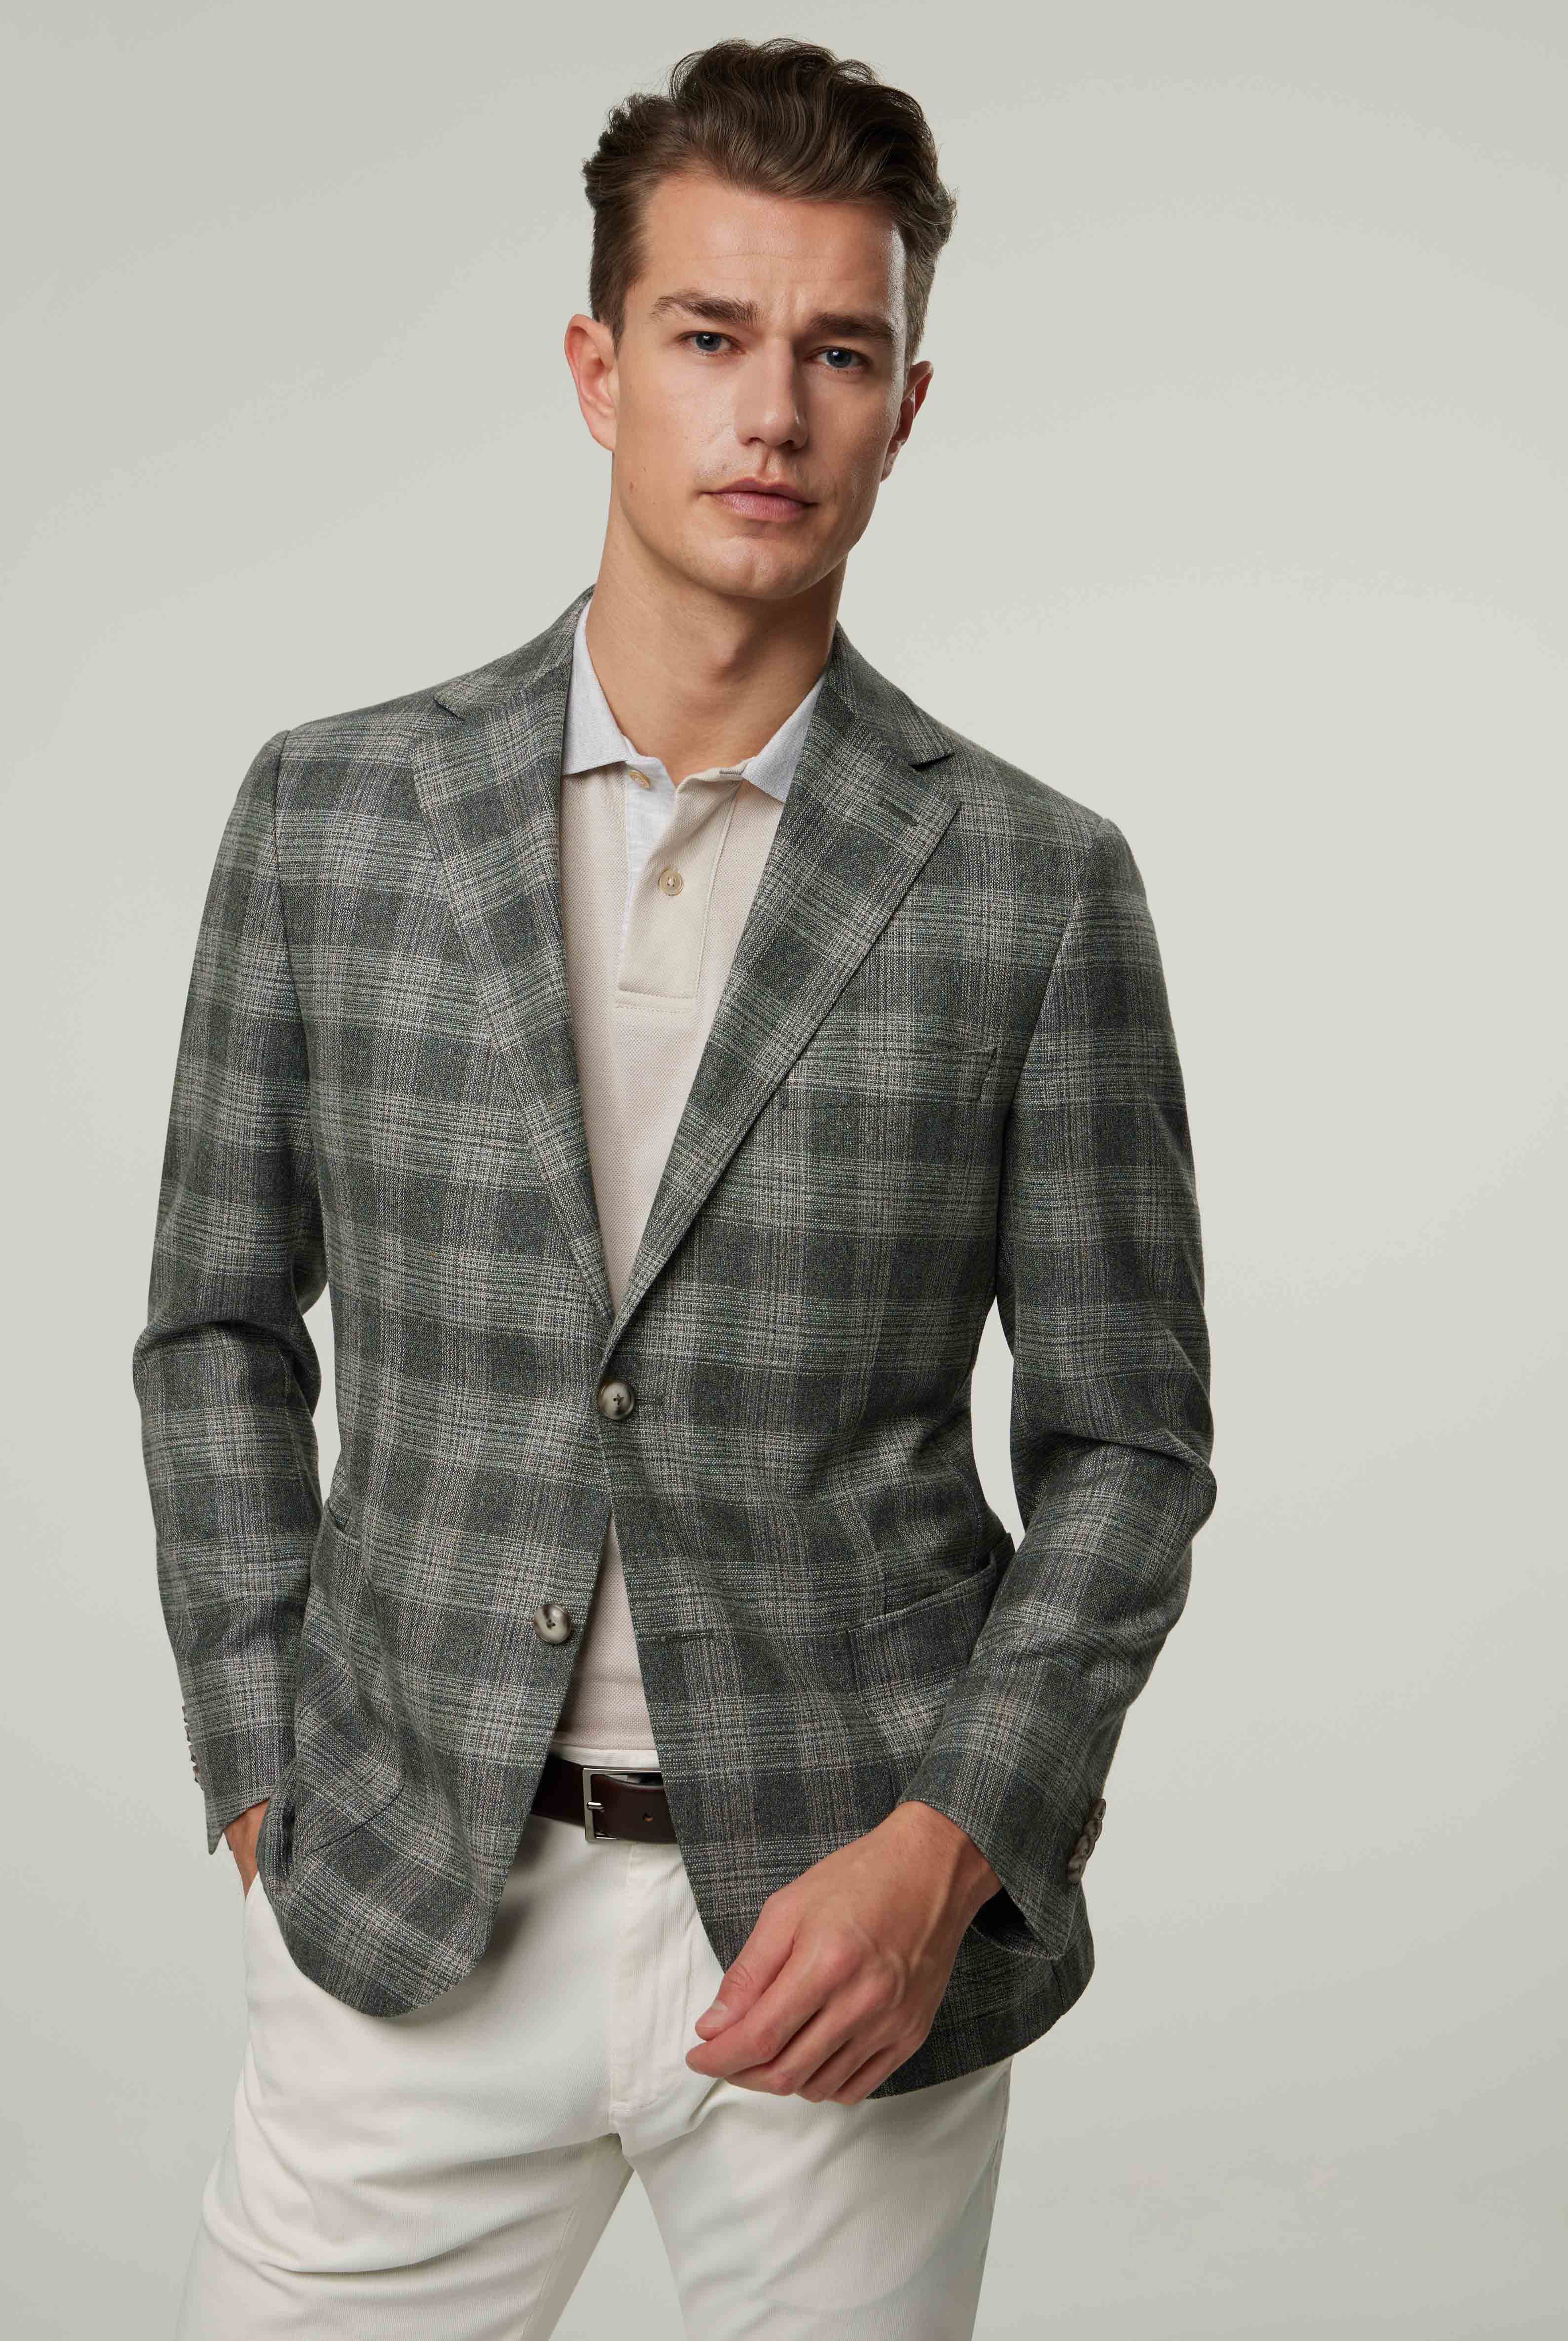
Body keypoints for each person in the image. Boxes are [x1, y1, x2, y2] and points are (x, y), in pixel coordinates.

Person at [131, 34, 1216, 2340]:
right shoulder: (331, 816)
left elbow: (1128, 1444)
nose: (773, 412)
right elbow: (216, 1323)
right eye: (713, 336)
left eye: (840, 353)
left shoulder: (1033, 885)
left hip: (842, 1931)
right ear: (596, 366)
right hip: (411, 1897)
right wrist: (260, 1761)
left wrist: (949, 1846)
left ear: (906, 408)